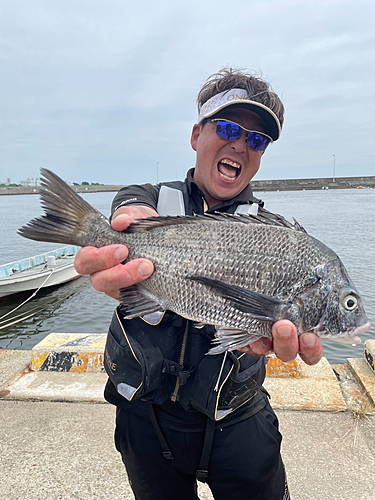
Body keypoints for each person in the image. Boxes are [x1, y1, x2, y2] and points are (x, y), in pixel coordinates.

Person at [75, 68, 323, 500]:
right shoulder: (150, 197)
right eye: (228, 127)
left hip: (237, 417)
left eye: (257, 139)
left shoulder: (269, 235)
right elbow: (131, 209)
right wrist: (125, 230)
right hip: (144, 417)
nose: (240, 144)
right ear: (196, 136)